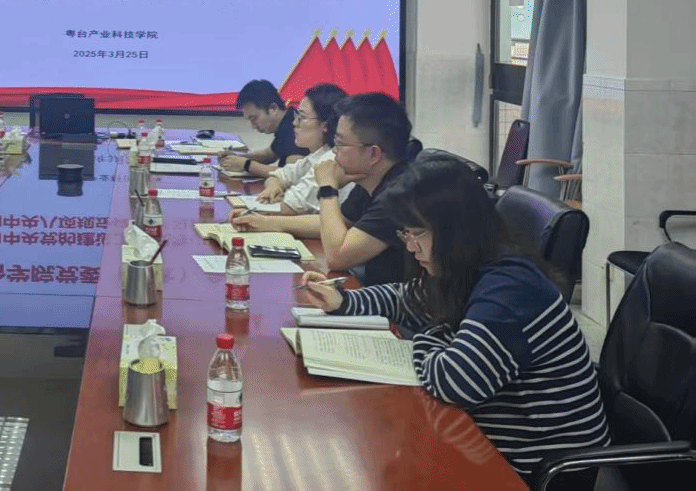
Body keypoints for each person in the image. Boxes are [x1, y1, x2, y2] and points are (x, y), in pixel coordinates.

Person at [300, 156, 609, 481]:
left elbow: (456, 383)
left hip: (535, 467)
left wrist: (425, 338)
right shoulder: (470, 264)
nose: (411, 247)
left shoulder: (510, 289)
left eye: (417, 233)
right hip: (486, 438)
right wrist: (345, 300)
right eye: (405, 234)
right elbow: (410, 299)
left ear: (454, 230)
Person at [232, 92, 413, 285]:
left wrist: (328, 188)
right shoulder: (369, 179)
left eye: (340, 143)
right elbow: (340, 223)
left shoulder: (398, 195)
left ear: (373, 154)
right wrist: (263, 222)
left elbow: (338, 257)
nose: (334, 151)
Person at [252, 83, 350, 213]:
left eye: (302, 117)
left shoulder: (330, 160)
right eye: (297, 116)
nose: (295, 123)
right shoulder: (316, 155)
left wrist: (247, 165)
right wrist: (273, 187)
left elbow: (289, 207)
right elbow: (278, 175)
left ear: (325, 125)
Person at [218, 79, 302, 178]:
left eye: (254, 118)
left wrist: (245, 164)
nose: (253, 126)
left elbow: (291, 174)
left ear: (273, 109)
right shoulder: (287, 120)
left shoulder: (297, 128)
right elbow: (269, 154)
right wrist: (238, 157)